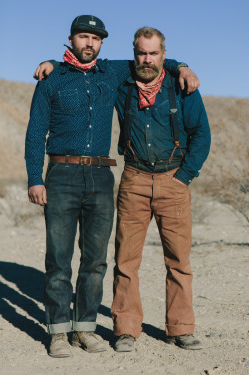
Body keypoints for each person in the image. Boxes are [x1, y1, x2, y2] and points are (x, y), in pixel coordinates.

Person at [26, 15, 199, 358]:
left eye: (95, 38)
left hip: (102, 177)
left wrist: (184, 67)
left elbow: (152, 60)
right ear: (71, 39)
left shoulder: (112, 71)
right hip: (60, 174)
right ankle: (59, 332)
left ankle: (85, 329)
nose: (89, 43)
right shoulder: (51, 79)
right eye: (82, 37)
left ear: (101, 43)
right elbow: (35, 133)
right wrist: (35, 178)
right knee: (59, 258)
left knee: (95, 261)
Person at [111, 27, 211, 352]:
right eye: (142, 53)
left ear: (163, 55)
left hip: (174, 181)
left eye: (154, 54)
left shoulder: (181, 86)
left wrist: (185, 176)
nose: (147, 59)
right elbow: (88, 66)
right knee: (126, 260)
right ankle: (126, 329)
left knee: (179, 260)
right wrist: (54, 62)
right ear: (134, 53)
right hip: (134, 179)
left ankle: (180, 328)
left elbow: (201, 135)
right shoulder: (121, 82)